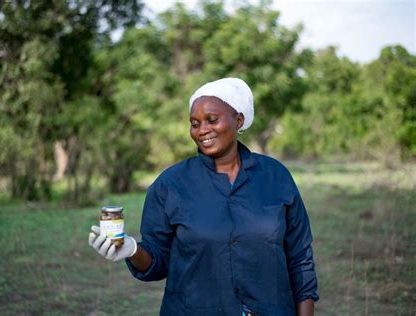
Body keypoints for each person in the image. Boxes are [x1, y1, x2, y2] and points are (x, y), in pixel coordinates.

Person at [89, 78, 319, 316]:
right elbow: (157, 263)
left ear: (238, 120)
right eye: (195, 123)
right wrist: (132, 250)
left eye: (212, 120)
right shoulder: (170, 185)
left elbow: (300, 257)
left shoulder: (275, 177)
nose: (202, 130)